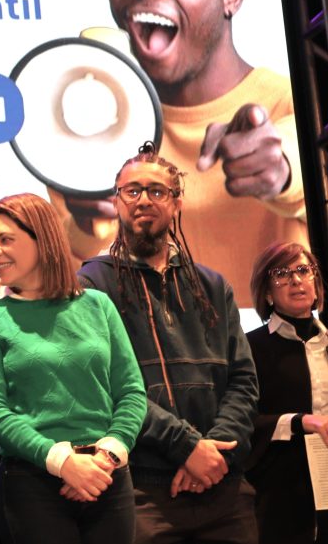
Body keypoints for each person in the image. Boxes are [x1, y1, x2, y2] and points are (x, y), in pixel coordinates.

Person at [55, 0, 307, 308]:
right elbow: (68, 258)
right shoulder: (88, 120)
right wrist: (83, 219)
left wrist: (279, 168)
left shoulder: (290, 100)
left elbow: (301, 158)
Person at [78, 141, 259, 544]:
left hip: (223, 485)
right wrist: (187, 448)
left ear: (177, 203)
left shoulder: (211, 285)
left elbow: (244, 380)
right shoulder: (92, 284)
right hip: (142, 493)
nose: (144, 200)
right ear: (117, 201)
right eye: (133, 190)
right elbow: (105, 387)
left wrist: (214, 453)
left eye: (157, 191)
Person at [0, 193, 146, 544]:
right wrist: (63, 462)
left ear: (42, 238)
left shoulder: (98, 305)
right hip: (32, 483)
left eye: (5, 239)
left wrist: (107, 455)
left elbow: (131, 392)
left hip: (108, 477)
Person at [246, 241, 328, 543]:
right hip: (281, 486)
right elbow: (243, 422)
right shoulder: (249, 348)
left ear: (316, 285)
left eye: (303, 271)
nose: (295, 280)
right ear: (267, 292)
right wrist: (301, 422)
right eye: (282, 273)